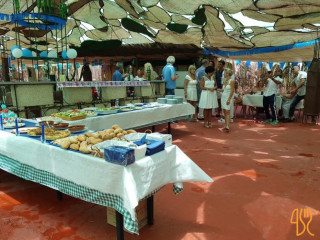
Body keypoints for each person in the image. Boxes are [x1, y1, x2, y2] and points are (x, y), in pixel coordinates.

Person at [219, 68, 235, 133]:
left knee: (227, 111)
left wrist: (229, 99)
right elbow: (224, 90)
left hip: (228, 98)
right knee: (225, 111)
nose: (224, 74)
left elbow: (232, 91)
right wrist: (220, 90)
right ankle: (225, 125)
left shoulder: (231, 81)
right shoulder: (225, 80)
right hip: (223, 97)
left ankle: (227, 126)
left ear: (227, 74)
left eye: (224, 73)